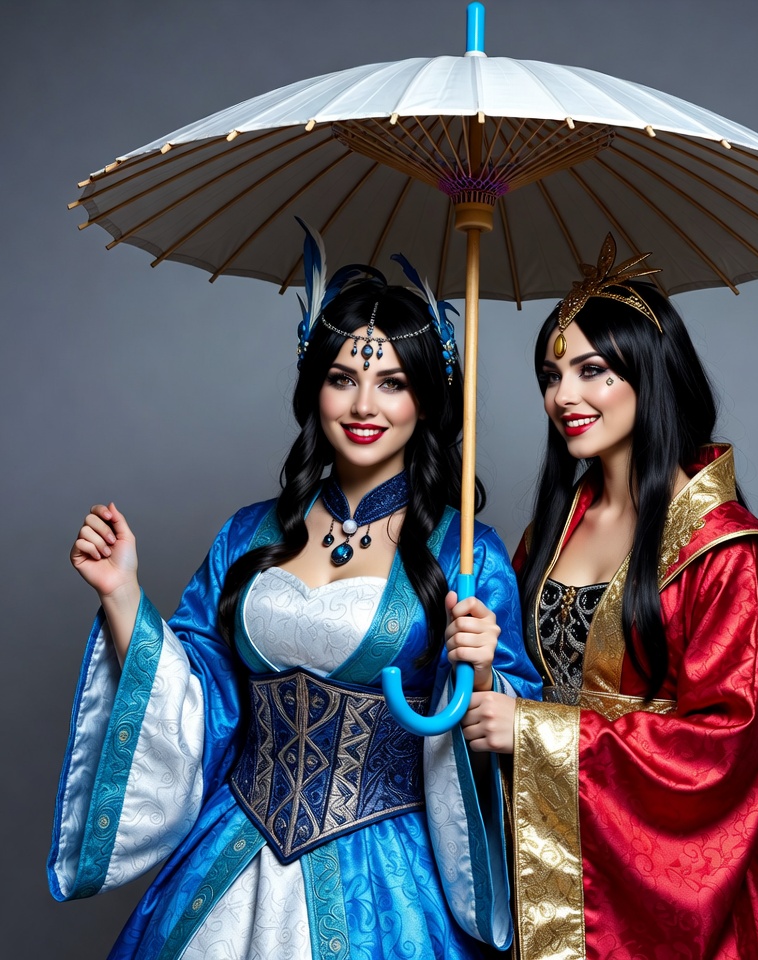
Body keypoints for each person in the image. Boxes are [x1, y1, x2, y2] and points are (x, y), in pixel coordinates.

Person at [47, 228, 542, 960]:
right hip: (233, 849)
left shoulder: (464, 553)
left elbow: (518, 726)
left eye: (393, 382)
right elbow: (199, 699)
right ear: (315, 387)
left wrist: (485, 672)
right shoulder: (249, 535)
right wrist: (123, 596)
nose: (364, 403)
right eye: (343, 377)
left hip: (386, 880)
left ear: (427, 401)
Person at [461, 235, 758, 959]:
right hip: (553, 865)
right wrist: (483, 669)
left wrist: (535, 734)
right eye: (551, 373)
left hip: (673, 891)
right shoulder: (550, 530)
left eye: (592, 370)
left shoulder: (723, 552)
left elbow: (727, 746)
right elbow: (530, 690)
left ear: (649, 375)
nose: (563, 396)